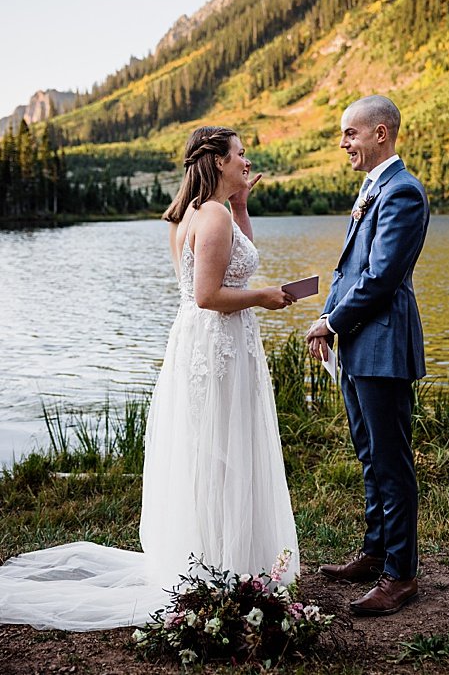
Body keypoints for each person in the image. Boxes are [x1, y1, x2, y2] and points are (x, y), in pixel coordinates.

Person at [0, 126, 300, 630]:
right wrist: (265, 297)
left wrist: (243, 204)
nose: (247, 160)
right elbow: (209, 294)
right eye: (241, 154)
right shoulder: (213, 218)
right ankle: (226, 564)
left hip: (196, 342)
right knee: (226, 447)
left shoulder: (189, 214)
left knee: (211, 448)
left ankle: (211, 556)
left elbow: (212, 279)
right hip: (220, 342)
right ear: (218, 162)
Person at [306, 95, 430, 617]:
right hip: (359, 342)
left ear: (381, 133)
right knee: (368, 454)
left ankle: (400, 575)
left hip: (382, 342)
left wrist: (332, 320)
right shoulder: (372, 188)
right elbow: (348, 270)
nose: (343, 144)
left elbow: (379, 280)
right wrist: (330, 323)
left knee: (391, 459)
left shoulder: (402, 193)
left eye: (350, 134)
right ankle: (375, 551)